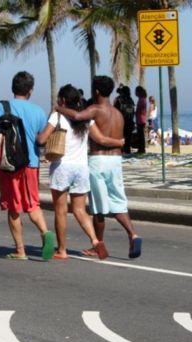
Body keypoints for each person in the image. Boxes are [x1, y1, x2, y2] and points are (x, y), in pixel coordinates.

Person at [56, 75, 142, 259]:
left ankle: (97, 245)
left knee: (98, 208)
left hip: (98, 160)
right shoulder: (118, 113)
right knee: (119, 203)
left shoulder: (95, 109)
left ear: (96, 91)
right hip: (116, 161)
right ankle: (133, 234)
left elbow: (78, 116)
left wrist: (59, 108)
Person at [37, 84, 124, 260]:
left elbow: (42, 139)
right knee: (80, 210)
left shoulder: (57, 116)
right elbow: (100, 139)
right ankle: (95, 241)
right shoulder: (86, 119)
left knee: (60, 211)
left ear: (62, 100)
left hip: (62, 167)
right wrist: (119, 142)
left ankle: (62, 250)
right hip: (81, 168)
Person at [0, 71, 54, 260]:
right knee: (32, 204)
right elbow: (42, 139)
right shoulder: (38, 111)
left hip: (10, 165)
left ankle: (20, 250)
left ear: (13, 88)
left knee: (13, 208)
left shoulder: (2, 107)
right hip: (31, 164)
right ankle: (45, 232)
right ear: (30, 91)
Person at [114, 85, 135, 154]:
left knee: (120, 138)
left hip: (121, 122)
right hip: (130, 121)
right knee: (128, 139)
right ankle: (127, 151)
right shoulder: (131, 100)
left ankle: (121, 151)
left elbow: (115, 110)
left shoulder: (119, 99)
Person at [135, 86, 147, 154]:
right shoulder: (142, 98)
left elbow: (140, 109)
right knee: (140, 135)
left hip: (140, 119)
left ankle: (141, 149)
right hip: (140, 118)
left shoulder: (142, 99)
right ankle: (141, 148)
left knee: (140, 135)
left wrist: (136, 112)